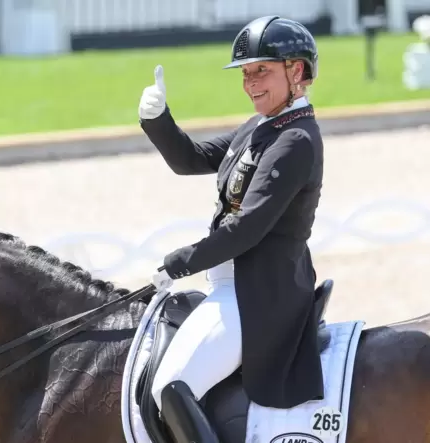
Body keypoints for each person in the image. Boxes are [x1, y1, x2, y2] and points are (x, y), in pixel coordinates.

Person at [139, 15, 325, 443]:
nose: (250, 83)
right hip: (231, 285)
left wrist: (180, 262)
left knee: (170, 387)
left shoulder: (294, 140)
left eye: (261, 70)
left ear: (295, 71)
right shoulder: (263, 126)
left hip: (258, 295)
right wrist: (158, 120)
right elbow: (191, 159)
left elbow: (248, 228)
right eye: (245, 73)